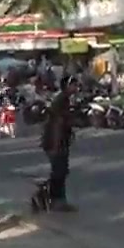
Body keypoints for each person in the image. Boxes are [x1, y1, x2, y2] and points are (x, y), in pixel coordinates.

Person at [41, 75, 77, 211]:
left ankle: (55, 200)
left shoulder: (64, 99)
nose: (76, 87)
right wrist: (56, 146)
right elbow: (57, 124)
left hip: (58, 140)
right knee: (59, 172)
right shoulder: (61, 100)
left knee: (61, 171)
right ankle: (56, 201)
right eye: (74, 85)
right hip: (56, 140)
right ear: (66, 86)